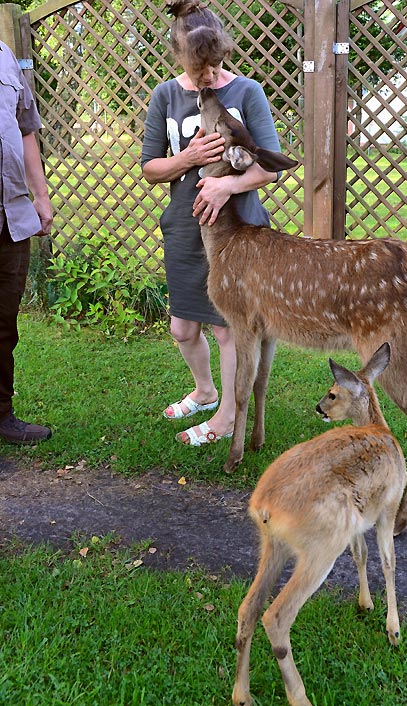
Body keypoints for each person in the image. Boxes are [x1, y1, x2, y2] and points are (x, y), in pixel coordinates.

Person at [141, 0, 281, 447]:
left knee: (228, 327)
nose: (209, 76)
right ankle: (205, 391)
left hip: (238, 231)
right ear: (180, 57)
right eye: (200, 66)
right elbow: (150, 168)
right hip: (185, 228)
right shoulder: (165, 96)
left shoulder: (247, 93)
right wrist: (187, 159)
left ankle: (226, 417)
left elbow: (270, 167)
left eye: (216, 63)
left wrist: (225, 188)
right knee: (183, 328)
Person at [0, 40, 54, 445]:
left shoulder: (5, 56)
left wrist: (41, 196)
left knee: (4, 324)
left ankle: (2, 414)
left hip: (11, 216)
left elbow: (26, 130)